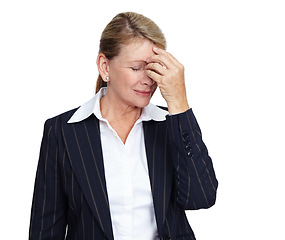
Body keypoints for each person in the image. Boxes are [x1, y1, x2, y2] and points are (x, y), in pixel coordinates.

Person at [29, 12, 218, 240]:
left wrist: (179, 104)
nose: (148, 79)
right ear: (105, 66)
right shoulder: (62, 131)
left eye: (154, 68)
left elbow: (201, 198)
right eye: (137, 68)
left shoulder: (171, 124)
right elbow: (45, 229)